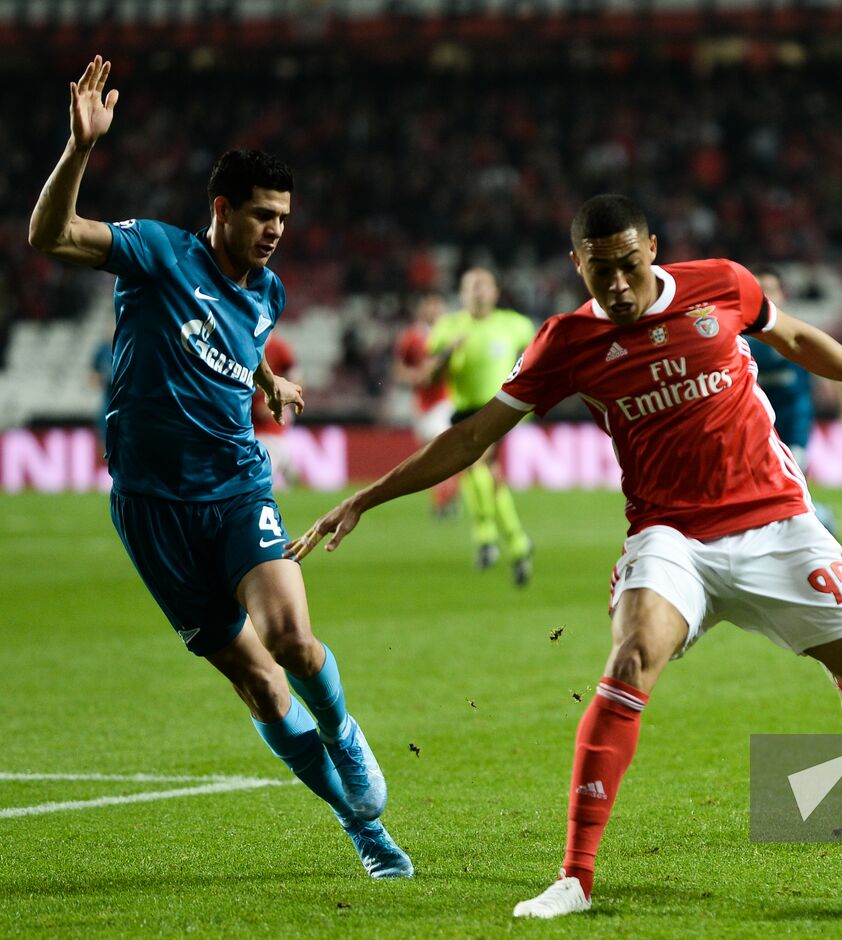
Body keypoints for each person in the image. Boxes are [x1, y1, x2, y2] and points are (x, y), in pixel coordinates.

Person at [287, 194, 842, 917]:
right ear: (579, 266)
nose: (620, 286)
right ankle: (575, 877)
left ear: (652, 248)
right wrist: (366, 498)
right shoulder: (567, 342)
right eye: (602, 273)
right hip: (671, 536)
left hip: (777, 523)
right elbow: (473, 436)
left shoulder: (722, 284)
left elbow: (795, 338)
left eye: (630, 265)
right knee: (630, 659)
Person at [28, 56, 411, 878]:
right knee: (261, 687)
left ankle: (344, 733)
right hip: (149, 508)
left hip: (236, 485)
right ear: (222, 209)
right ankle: (362, 829)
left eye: (284, 217)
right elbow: (49, 237)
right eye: (262, 214)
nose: (276, 230)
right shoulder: (159, 254)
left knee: (291, 638)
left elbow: (238, 337)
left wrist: (267, 378)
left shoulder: (268, 293)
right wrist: (80, 149)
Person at [429, 267, 537, 583]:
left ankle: (486, 538)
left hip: (498, 409)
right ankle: (518, 543)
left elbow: (536, 358)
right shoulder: (447, 327)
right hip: (463, 410)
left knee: (477, 464)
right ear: (462, 294)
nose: (478, 291)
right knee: (484, 475)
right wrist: (448, 353)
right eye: (471, 286)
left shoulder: (515, 325)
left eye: (483, 285)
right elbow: (430, 377)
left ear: (495, 292)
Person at [748, 268, 842, 533]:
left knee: (790, 484)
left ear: (783, 294)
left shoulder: (799, 333)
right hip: (761, 428)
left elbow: (836, 370)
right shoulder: (743, 340)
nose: (766, 296)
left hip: (795, 423)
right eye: (759, 291)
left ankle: (818, 523)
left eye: (770, 289)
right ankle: (814, 519)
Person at [392, 292, 459, 517]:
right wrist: (414, 376)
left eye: (437, 305)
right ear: (422, 308)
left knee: (442, 451)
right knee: (430, 458)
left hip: (446, 401)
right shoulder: (411, 337)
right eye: (429, 305)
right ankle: (447, 496)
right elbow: (398, 370)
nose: (434, 310)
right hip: (421, 405)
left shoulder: (451, 335)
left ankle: (443, 502)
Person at [251, 332, 297, 489]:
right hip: (248, 426)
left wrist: (284, 402)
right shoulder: (243, 343)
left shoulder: (279, 348)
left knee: (261, 474)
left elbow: (296, 377)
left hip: (270, 430)